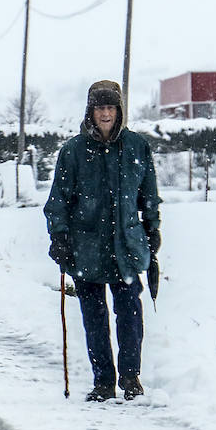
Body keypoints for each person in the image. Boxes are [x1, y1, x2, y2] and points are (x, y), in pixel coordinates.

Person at [43, 80, 162, 402]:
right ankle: (103, 381)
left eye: (110, 107)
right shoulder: (73, 152)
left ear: (119, 110)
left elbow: (148, 195)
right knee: (94, 320)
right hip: (87, 250)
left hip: (125, 249)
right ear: (90, 111)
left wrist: (153, 229)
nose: (105, 113)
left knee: (130, 315)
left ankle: (130, 376)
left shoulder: (137, 147)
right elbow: (58, 201)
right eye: (100, 108)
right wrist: (60, 238)